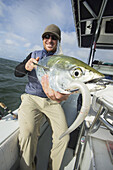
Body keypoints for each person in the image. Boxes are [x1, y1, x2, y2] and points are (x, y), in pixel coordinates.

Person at [14, 24, 70, 170]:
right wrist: (26, 67)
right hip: (31, 98)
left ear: (58, 41)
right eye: (47, 36)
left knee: (64, 136)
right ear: (42, 39)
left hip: (52, 101)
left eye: (54, 37)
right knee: (28, 133)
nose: (50, 40)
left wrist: (67, 91)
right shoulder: (33, 54)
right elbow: (17, 73)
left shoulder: (62, 61)